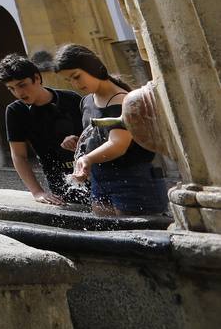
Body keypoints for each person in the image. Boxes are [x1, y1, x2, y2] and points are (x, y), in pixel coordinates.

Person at [54, 44, 167, 216]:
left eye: (77, 76)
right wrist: (79, 143)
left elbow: (118, 144)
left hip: (133, 180)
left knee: (139, 235)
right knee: (110, 235)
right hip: (100, 179)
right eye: (69, 80)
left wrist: (87, 158)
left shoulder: (122, 100)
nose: (75, 84)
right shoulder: (87, 101)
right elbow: (98, 136)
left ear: (90, 67)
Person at [0, 54, 88, 205]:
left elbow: (94, 136)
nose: (19, 93)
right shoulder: (15, 111)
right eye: (11, 88)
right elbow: (19, 156)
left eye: (22, 85)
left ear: (37, 78)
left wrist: (79, 139)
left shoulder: (71, 99)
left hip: (91, 175)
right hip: (60, 186)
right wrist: (37, 192)